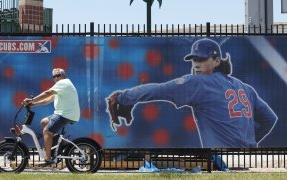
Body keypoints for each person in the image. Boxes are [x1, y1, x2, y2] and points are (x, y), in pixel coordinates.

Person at [107, 38, 277, 148]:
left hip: (222, 162)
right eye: (194, 59)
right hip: (247, 160)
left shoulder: (200, 82)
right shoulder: (245, 88)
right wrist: (249, 142)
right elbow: (269, 119)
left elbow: (158, 90)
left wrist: (124, 97)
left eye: (202, 59)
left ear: (217, 61)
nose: (196, 64)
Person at [23, 68, 80, 166]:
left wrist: (32, 99)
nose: (56, 78)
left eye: (58, 75)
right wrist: (33, 104)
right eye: (54, 76)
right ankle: (60, 141)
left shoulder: (63, 83)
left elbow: (47, 93)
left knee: (47, 131)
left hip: (65, 114)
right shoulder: (61, 87)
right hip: (62, 113)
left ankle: (48, 159)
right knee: (44, 122)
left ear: (63, 75)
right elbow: (49, 99)